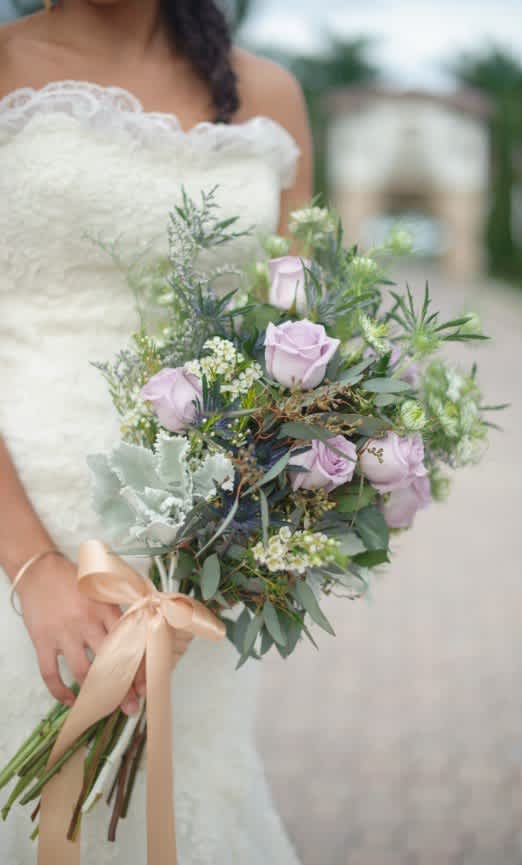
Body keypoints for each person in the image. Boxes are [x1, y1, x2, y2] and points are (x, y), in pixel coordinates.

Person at [0, 1, 312, 862]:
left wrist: (233, 560)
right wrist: (33, 570)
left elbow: (301, 338)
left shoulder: (270, 94)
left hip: (198, 558)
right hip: (22, 533)